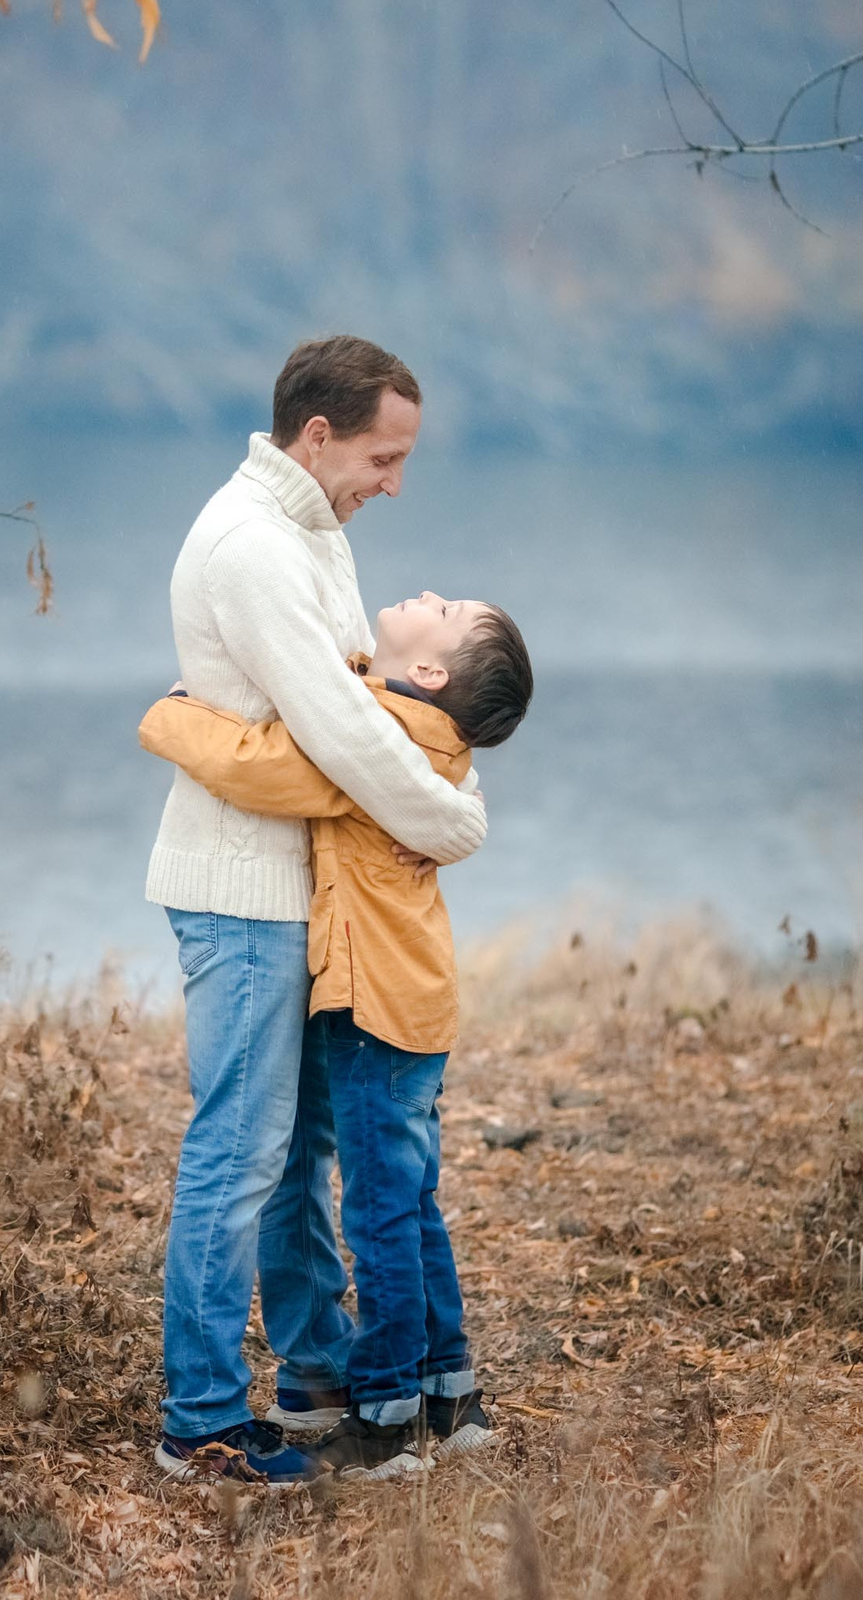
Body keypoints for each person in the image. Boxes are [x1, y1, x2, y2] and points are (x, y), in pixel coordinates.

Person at [146, 338, 489, 1485]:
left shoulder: (314, 536)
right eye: (384, 457)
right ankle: (196, 1422)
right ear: (319, 437)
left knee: (296, 1153)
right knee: (238, 1154)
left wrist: (448, 782)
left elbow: (383, 710)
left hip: (305, 894)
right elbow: (346, 744)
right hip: (240, 893)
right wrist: (451, 821)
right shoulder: (252, 546)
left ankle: (312, 1370)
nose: (394, 483)